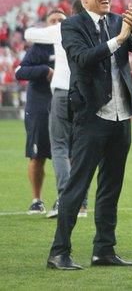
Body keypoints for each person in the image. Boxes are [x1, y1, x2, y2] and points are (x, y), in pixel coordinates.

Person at [47, 0, 132, 271]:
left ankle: (103, 250)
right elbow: (82, 59)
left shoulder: (118, 21)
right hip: (92, 116)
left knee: (111, 186)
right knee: (77, 186)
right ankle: (59, 252)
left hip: (121, 116)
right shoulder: (72, 25)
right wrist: (120, 38)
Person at [26, 8, 87, 219]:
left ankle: (65, 200)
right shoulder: (90, 29)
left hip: (62, 92)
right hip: (83, 94)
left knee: (59, 147)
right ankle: (82, 203)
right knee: (80, 149)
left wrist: (51, 28)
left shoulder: (61, 30)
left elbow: (28, 33)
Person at [16, 11, 64, 214]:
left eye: (60, 20)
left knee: (66, 153)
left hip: (63, 105)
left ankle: (64, 198)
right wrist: (45, 70)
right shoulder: (39, 47)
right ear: (46, 25)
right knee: (37, 155)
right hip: (39, 107)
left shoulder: (71, 44)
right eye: (52, 20)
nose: (56, 24)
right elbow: (20, 71)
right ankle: (37, 200)